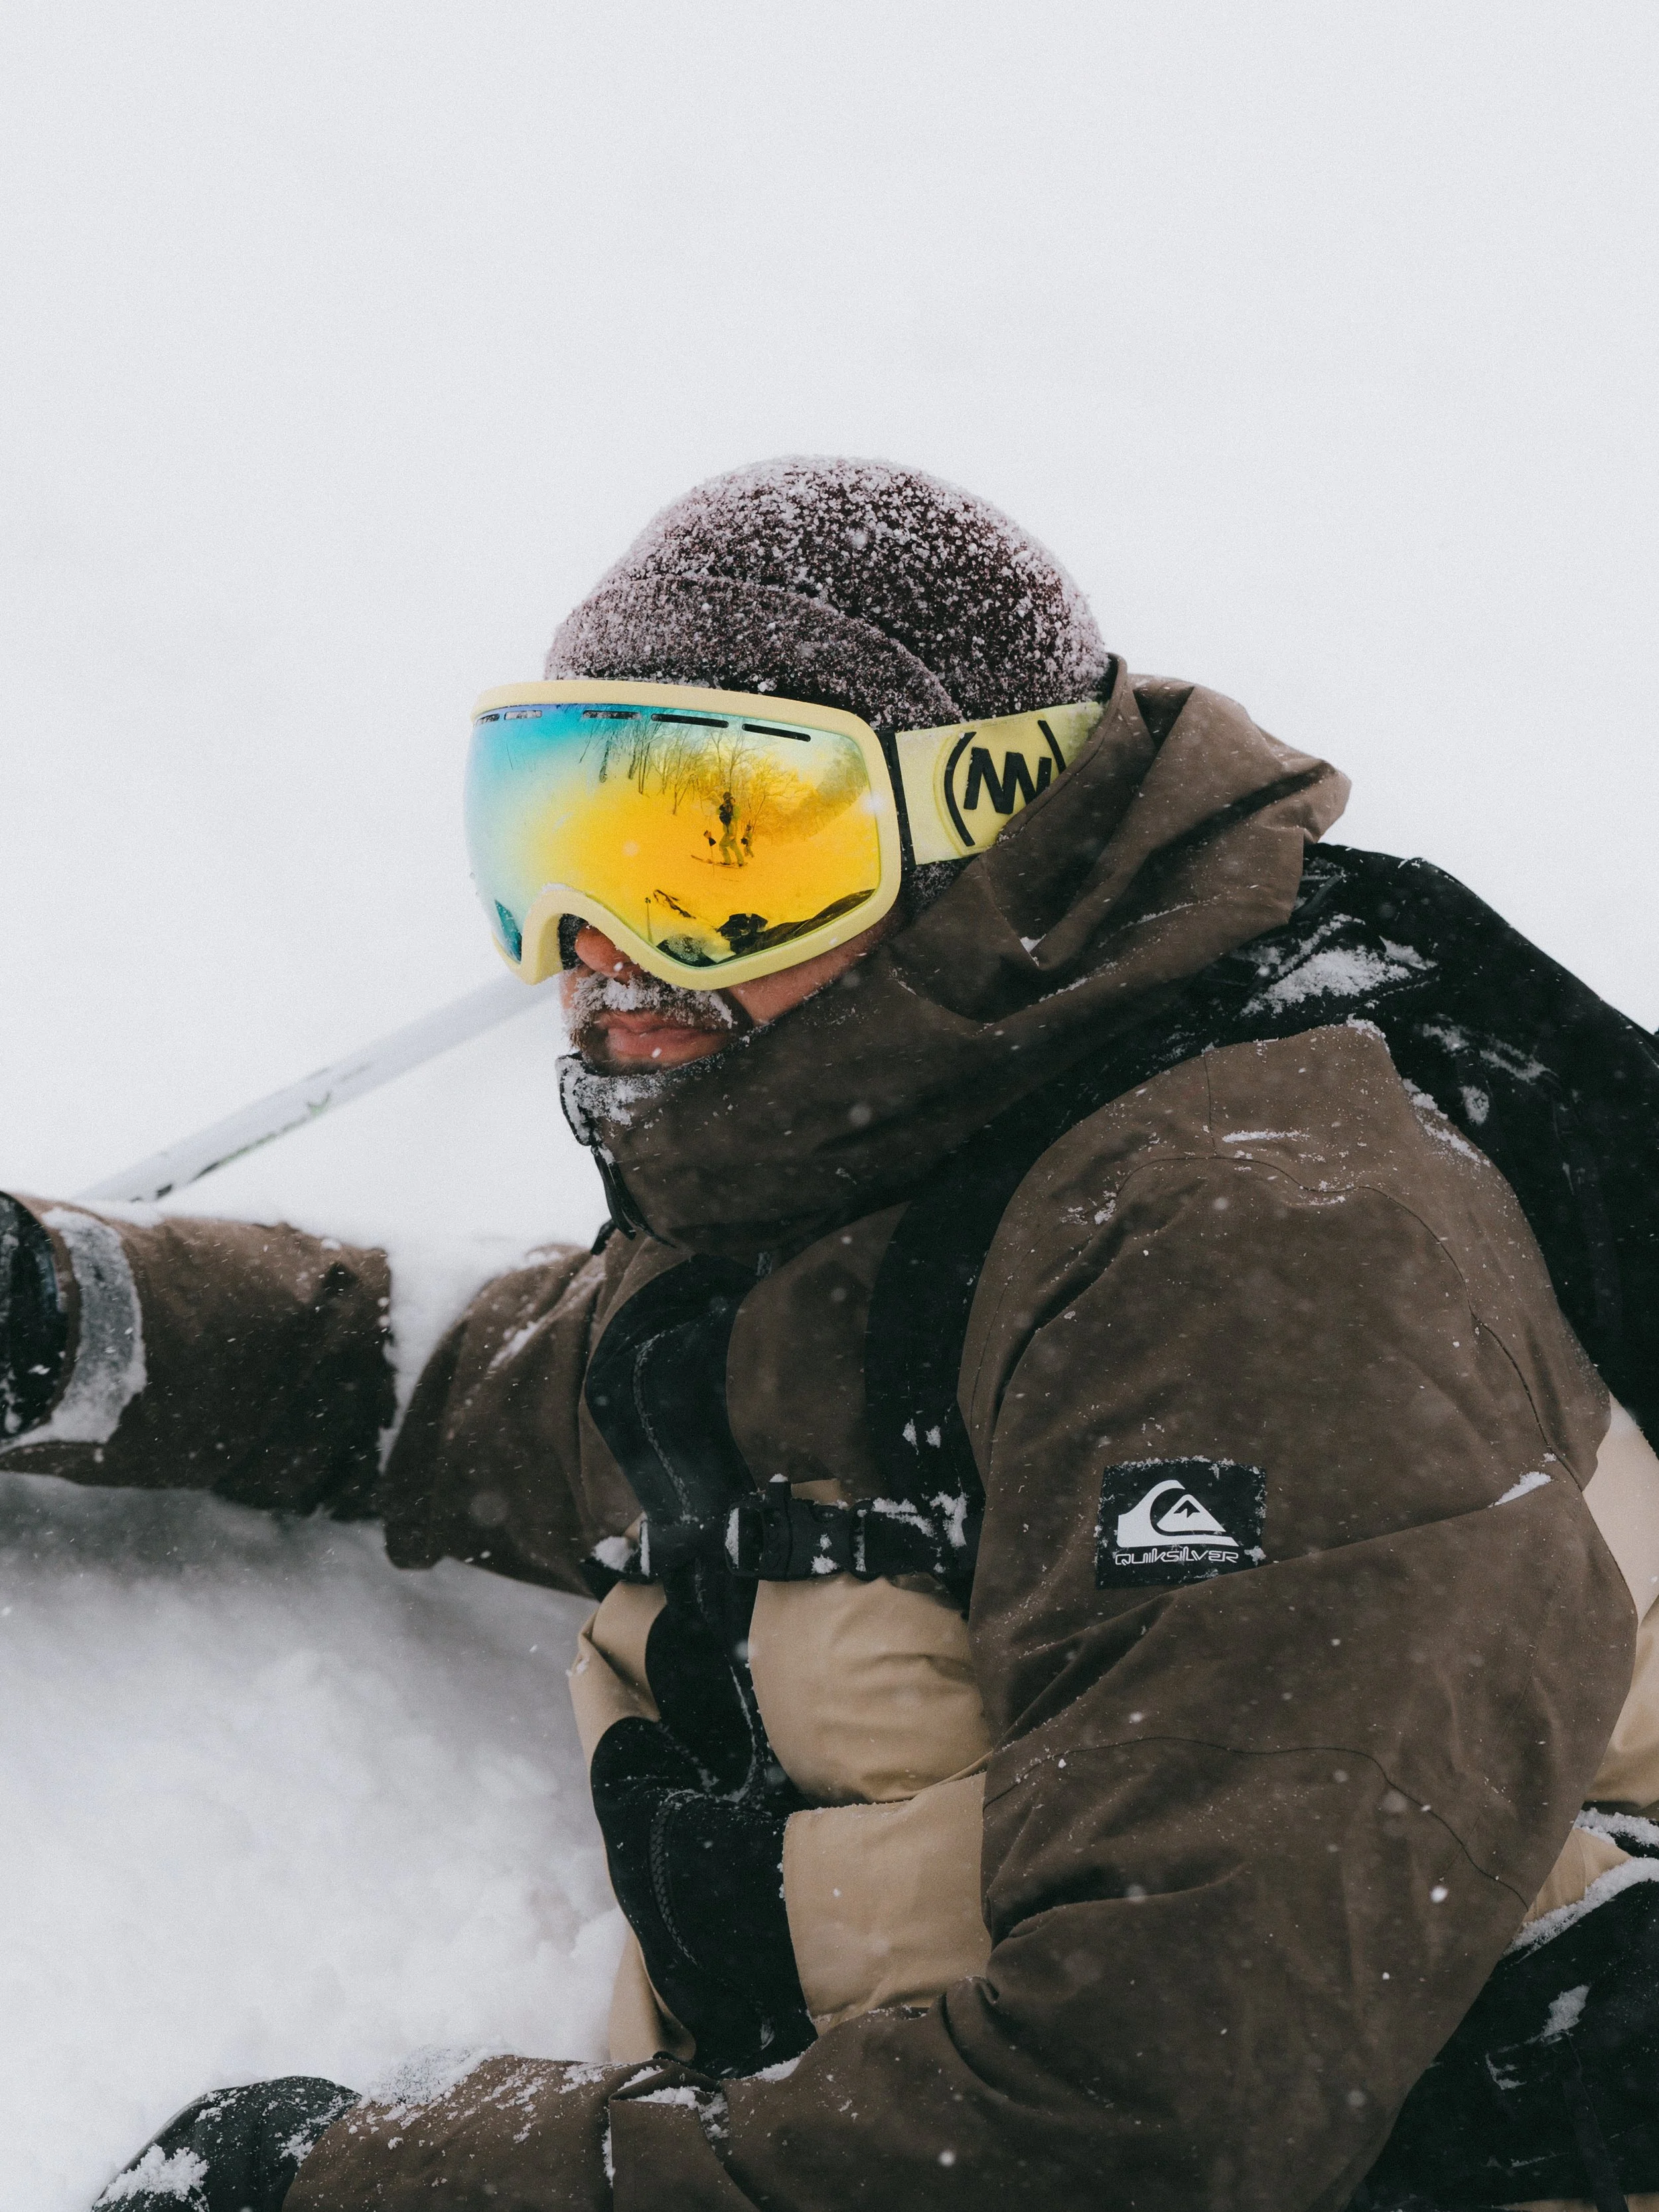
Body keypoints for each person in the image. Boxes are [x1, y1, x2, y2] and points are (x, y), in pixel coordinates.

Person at [7, 459, 1658, 2212]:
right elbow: (488, 1393)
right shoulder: (901, 1132)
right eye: (561, 847)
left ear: (975, 830)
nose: (603, 950)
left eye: (722, 849)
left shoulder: (1262, 1255)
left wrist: (362, 2191)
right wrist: (75, 1319)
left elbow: (1132, 2129)